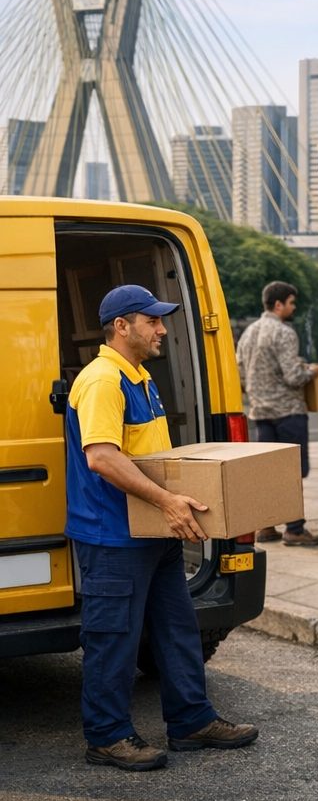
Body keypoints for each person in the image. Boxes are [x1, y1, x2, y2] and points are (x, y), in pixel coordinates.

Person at [65, 284, 258, 771]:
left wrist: (174, 505)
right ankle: (107, 737)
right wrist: (169, 501)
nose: (162, 328)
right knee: (113, 637)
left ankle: (191, 720)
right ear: (121, 326)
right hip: (114, 534)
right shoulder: (102, 381)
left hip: (153, 529)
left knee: (176, 629)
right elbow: (103, 459)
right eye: (151, 320)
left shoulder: (141, 378)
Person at [236, 280, 318, 547]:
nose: (293, 307)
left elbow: (240, 369)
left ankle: (266, 525)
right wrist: (313, 371)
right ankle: (295, 528)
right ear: (279, 304)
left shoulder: (249, 333)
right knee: (292, 471)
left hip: (260, 411)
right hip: (288, 411)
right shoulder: (284, 332)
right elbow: (294, 376)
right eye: (291, 302)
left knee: (268, 471)